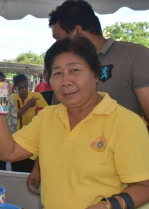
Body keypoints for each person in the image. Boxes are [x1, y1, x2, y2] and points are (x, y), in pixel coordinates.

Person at [0, 36, 149, 209]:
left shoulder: (126, 123)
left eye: (75, 70)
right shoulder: (48, 117)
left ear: (96, 73)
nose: (66, 81)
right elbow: (8, 152)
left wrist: (102, 207)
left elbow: (145, 186)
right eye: (57, 73)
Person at [28, 0, 149, 189]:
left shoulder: (134, 56)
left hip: (117, 179)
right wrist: (38, 165)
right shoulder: (62, 67)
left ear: (76, 31)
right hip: (66, 178)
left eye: (58, 38)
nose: (57, 45)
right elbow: (52, 123)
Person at [11, 74, 48, 172]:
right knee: (17, 171)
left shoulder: (37, 96)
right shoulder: (12, 99)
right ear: (15, 88)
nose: (24, 90)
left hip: (33, 140)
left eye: (26, 87)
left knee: (31, 170)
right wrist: (28, 105)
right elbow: (14, 116)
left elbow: (47, 115)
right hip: (16, 140)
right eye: (20, 88)